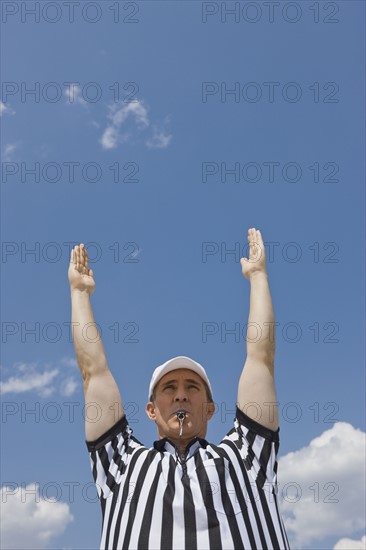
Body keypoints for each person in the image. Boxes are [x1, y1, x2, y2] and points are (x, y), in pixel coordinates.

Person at [68, 227, 290, 550]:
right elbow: (94, 373)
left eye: (193, 387)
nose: (181, 394)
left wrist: (257, 276)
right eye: (169, 387)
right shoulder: (122, 463)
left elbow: (261, 359)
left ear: (211, 408)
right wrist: (78, 294)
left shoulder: (247, 455)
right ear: (151, 409)